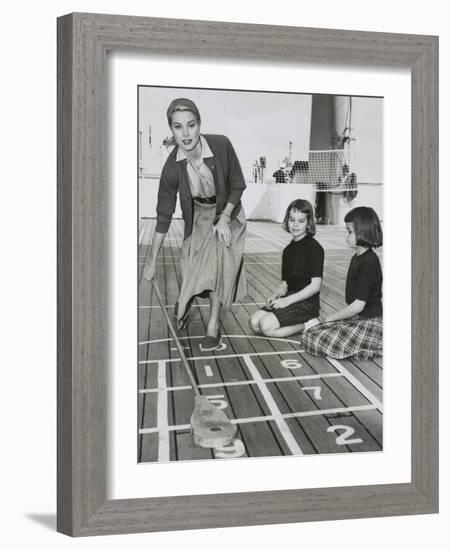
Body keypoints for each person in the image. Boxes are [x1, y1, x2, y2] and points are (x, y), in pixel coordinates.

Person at [143, 98, 247, 351]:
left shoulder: (221, 145)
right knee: (190, 267)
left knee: (217, 263)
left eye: (191, 125)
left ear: (199, 125)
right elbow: (163, 216)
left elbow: (238, 185)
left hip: (228, 213)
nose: (186, 133)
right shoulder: (172, 167)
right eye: (178, 127)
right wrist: (151, 260)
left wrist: (223, 218)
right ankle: (186, 297)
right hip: (199, 216)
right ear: (172, 130)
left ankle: (213, 324)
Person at [300, 206, 383, 359]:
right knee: (310, 334)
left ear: (363, 231)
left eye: (349, 231)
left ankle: (377, 346)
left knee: (315, 341)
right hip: (358, 319)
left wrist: (334, 316)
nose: (346, 236)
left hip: (370, 322)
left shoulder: (370, 262)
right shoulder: (357, 258)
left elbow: (358, 305)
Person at [249, 199, 324, 337]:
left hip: (306, 304)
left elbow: (315, 287)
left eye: (301, 221)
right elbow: (285, 284)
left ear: (309, 223)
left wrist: (286, 301)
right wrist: (275, 296)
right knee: (254, 323)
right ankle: (295, 320)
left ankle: (308, 324)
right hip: (289, 298)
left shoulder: (314, 248)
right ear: (287, 220)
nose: (295, 225)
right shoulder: (288, 250)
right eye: (292, 219)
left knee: (266, 327)